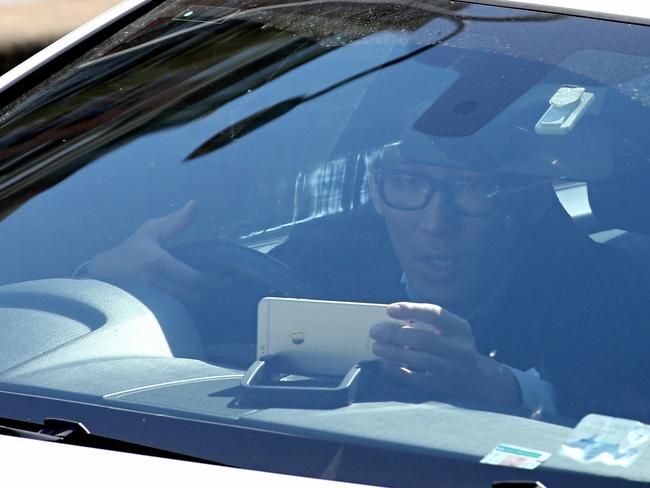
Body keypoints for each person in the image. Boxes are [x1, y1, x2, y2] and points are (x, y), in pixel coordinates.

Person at [80, 142, 650, 422]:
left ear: (524, 207)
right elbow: (238, 311)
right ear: (377, 192)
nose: (435, 223)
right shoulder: (327, 254)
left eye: (474, 190)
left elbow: (626, 423)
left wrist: (502, 389)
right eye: (407, 183)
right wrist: (104, 287)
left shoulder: (614, 292)